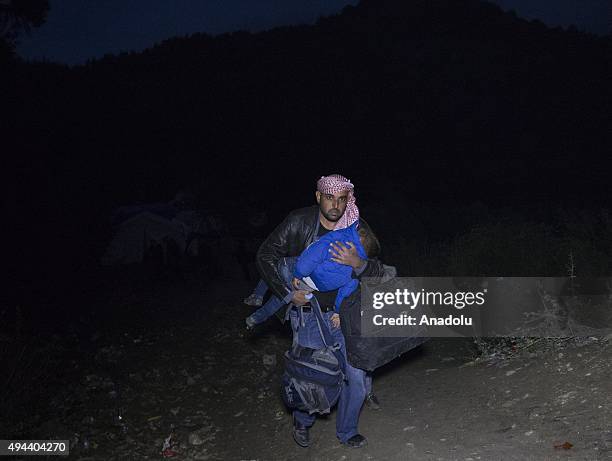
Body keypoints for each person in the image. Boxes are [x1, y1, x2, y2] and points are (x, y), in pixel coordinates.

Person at [256, 174, 388, 448]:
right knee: (311, 375)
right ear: (318, 196)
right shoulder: (298, 222)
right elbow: (265, 255)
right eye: (330, 198)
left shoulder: (357, 227)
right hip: (308, 316)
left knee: (357, 376)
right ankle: (303, 422)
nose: (336, 205)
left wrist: (357, 264)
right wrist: (287, 293)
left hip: (346, 313)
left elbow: (377, 271)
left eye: (342, 199)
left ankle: (347, 431)